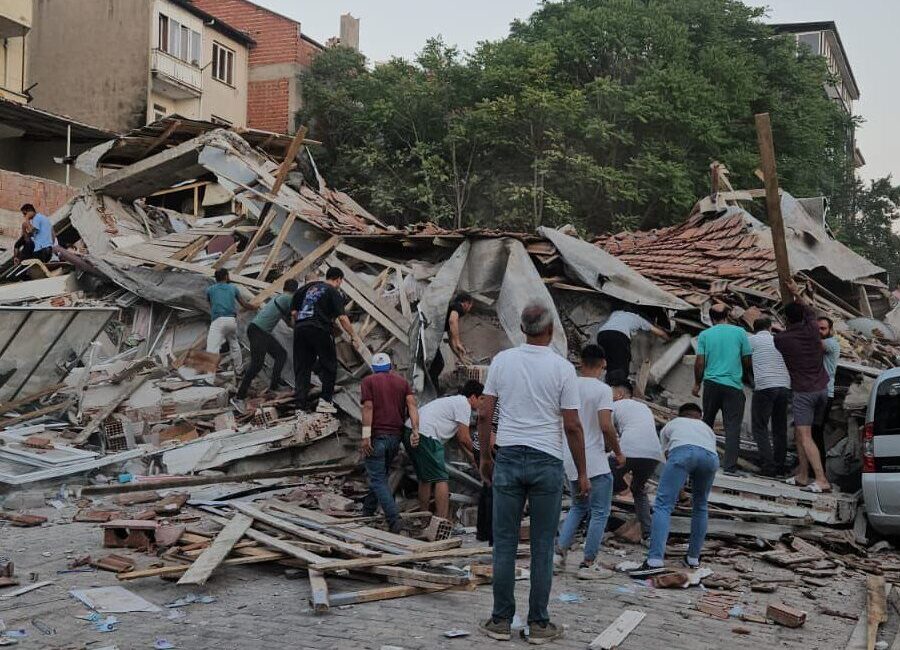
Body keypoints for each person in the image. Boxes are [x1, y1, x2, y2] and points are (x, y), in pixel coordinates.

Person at [477, 301, 588, 644]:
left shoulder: (502, 361)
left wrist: (484, 457)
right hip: (547, 461)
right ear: (551, 329)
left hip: (507, 458)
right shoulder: (563, 369)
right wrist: (582, 472)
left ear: (522, 329)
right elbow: (571, 425)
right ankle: (539, 624)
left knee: (505, 544)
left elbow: (484, 415)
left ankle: (499, 621)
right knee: (542, 545)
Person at [555, 344, 623, 580]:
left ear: (580, 362)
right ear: (603, 364)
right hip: (594, 458)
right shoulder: (603, 390)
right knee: (600, 511)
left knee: (578, 506)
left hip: (570, 457)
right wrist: (618, 451)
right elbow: (606, 425)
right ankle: (588, 562)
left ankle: (559, 554)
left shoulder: (568, 385)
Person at [632, 403, 719, 575]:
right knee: (700, 505)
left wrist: (679, 490)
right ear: (699, 416)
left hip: (683, 452)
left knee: (663, 505)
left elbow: (668, 457)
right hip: (711, 458)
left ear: (679, 415)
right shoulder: (707, 428)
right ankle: (693, 558)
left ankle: (655, 560)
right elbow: (706, 451)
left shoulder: (671, 425)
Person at [774, 282, 832, 492]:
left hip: (804, 393)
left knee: (805, 436)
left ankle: (821, 479)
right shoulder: (813, 330)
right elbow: (810, 311)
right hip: (822, 389)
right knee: (801, 433)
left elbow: (798, 320)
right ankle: (803, 475)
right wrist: (797, 294)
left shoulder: (781, 340)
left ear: (786, 320)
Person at [403, 380, 483, 520]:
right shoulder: (464, 405)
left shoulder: (454, 402)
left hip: (410, 430)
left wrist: (474, 460)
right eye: (482, 399)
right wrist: (482, 454)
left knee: (425, 479)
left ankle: (425, 518)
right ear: (473, 397)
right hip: (426, 435)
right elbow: (464, 438)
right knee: (441, 479)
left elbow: (460, 440)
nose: (483, 404)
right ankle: (442, 520)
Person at [360, 353, 419, 533]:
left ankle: (394, 520)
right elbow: (412, 405)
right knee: (380, 476)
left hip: (377, 436)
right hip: (395, 437)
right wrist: (415, 430)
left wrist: (365, 435)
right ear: (390, 366)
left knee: (377, 478)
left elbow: (368, 407)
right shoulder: (402, 382)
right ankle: (367, 512)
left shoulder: (368, 381)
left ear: (373, 368)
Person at [292, 267, 364, 414]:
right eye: (340, 282)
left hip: (300, 329)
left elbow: (294, 312)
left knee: (302, 368)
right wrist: (354, 336)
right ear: (338, 279)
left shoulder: (303, 289)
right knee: (329, 365)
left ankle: (300, 406)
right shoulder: (332, 291)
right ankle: (325, 401)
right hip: (319, 329)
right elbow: (343, 318)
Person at [693, 305, 751, 474]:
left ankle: (700, 461)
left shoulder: (705, 335)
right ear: (728, 315)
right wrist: (744, 373)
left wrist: (697, 383)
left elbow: (699, 362)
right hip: (733, 386)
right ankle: (729, 467)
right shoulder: (740, 333)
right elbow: (747, 359)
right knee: (732, 428)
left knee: (707, 424)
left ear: (711, 318)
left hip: (711, 384)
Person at [609, 376, 663, 543]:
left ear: (619, 394)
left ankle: (592, 526)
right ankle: (648, 533)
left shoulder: (614, 406)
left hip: (629, 449)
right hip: (653, 453)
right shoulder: (644, 407)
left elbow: (607, 432)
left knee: (603, 484)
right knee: (638, 489)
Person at [232, 279, 298, 412]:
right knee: (256, 365)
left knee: (281, 354)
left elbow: (288, 318)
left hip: (260, 331)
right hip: (258, 331)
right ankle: (238, 398)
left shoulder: (279, 297)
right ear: (294, 290)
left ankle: (274, 385)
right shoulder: (288, 298)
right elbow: (294, 317)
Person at [747, 317, 792, 477]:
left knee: (760, 427)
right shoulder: (779, 341)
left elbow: (744, 359)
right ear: (770, 328)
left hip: (765, 385)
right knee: (780, 428)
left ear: (754, 328)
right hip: (784, 386)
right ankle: (780, 466)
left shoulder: (751, 340)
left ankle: (768, 466)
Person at [206, 268, 254, 375]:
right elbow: (244, 304)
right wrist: (255, 307)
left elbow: (210, 304)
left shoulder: (210, 290)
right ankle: (239, 370)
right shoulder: (233, 288)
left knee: (212, 347)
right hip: (231, 320)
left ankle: (210, 376)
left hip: (218, 320)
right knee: (234, 345)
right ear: (226, 276)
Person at [596, 309, 670, 379]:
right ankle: (619, 387)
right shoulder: (639, 319)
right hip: (619, 336)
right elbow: (661, 333)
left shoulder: (616, 313)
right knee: (622, 366)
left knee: (609, 362)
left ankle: (608, 385)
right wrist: (670, 340)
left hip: (601, 334)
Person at [428, 292, 474, 394]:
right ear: (466, 303)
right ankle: (432, 392)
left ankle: (433, 390)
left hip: (430, 336)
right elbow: (453, 321)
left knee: (436, 365)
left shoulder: (450, 309)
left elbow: (451, 340)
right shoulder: (457, 307)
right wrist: (458, 342)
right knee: (437, 364)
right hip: (428, 335)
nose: (469, 309)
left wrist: (460, 357)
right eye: (470, 306)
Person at [812, 316, 840, 464]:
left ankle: (819, 472)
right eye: (817, 328)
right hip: (813, 392)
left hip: (824, 394)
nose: (819, 331)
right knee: (809, 433)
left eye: (823, 329)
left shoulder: (831, 343)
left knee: (816, 432)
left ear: (830, 330)